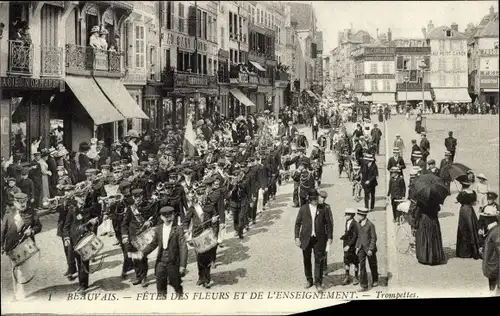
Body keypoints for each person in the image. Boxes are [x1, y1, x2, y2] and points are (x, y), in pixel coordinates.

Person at [1, 192, 42, 301]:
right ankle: (19, 294)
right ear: (15, 203)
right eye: (20, 203)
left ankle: (18, 293)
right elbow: (2, 230)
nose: (23, 205)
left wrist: (32, 230)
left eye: (24, 202)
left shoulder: (32, 212)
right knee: (17, 269)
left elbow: (38, 226)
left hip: (27, 245)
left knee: (24, 269)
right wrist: (1, 245)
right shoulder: (9, 213)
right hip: (12, 246)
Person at [141, 206, 187, 297]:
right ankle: (161, 300)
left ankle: (179, 295)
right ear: (161, 217)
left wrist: (182, 265)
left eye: (170, 215)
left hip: (173, 262)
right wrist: (142, 252)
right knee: (160, 284)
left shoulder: (178, 229)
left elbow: (183, 247)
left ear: (173, 215)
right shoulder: (158, 229)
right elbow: (153, 244)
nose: (167, 217)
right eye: (164, 215)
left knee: (176, 283)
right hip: (161, 262)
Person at [294, 190, 333, 292]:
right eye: (312, 199)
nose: (315, 201)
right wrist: (297, 237)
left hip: (319, 239)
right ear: (309, 199)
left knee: (319, 260)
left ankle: (318, 283)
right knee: (307, 260)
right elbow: (297, 224)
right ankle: (309, 280)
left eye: (316, 199)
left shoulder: (323, 208)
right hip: (306, 238)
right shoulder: (303, 209)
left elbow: (329, 224)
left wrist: (329, 237)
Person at [63, 191, 101, 294]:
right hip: (73, 239)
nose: (82, 198)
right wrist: (66, 237)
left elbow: (99, 218)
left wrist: (96, 221)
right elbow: (66, 226)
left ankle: (83, 285)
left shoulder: (91, 207)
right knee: (76, 261)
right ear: (75, 197)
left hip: (85, 238)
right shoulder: (72, 210)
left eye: (83, 196)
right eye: (80, 196)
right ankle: (82, 283)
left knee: (84, 262)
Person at [412, 199, 446, 265]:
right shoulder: (435, 199)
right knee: (434, 238)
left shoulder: (421, 200)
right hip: (434, 220)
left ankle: (425, 257)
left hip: (424, 221)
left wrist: (415, 221)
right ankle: (435, 257)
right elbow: (438, 209)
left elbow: (417, 213)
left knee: (424, 238)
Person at [456, 180, 481, 259]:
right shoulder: (473, 193)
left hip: (463, 211)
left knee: (463, 229)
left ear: (462, 186)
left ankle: (464, 252)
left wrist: (460, 194)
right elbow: (474, 203)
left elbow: (455, 201)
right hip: (470, 210)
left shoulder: (462, 193)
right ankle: (474, 250)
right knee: (472, 228)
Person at [355, 207, 378, 291]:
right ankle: (364, 285)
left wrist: (371, 249)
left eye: (359, 215)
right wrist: (357, 246)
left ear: (363, 216)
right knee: (362, 266)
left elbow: (374, 238)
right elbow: (358, 236)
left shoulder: (370, 225)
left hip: (369, 249)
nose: (357, 216)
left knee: (373, 264)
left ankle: (375, 279)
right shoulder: (358, 224)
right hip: (361, 248)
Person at [478, 204, 500, 295]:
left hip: (495, 268)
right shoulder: (492, 229)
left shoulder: (496, 232)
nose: (484, 219)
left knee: (494, 291)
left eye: (485, 217)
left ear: (490, 219)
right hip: (492, 267)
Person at [340, 208, 359, 286]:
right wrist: (344, 236)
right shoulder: (347, 222)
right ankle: (347, 276)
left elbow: (355, 236)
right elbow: (348, 232)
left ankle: (356, 277)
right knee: (346, 261)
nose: (346, 216)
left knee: (355, 261)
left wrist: (349, 245)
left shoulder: (355, 224)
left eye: (347, 215)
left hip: (352, 246)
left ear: (351, 215)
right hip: (346, 245)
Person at [318, 191, 333, 275]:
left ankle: (324, 268)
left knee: (325, 251)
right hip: (316, 233)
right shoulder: (314, 206)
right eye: (321, 198)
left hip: (325, 233)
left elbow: (330, 222)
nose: (322, 200)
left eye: (324, 198)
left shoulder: (327, 207)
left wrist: (330, 236)